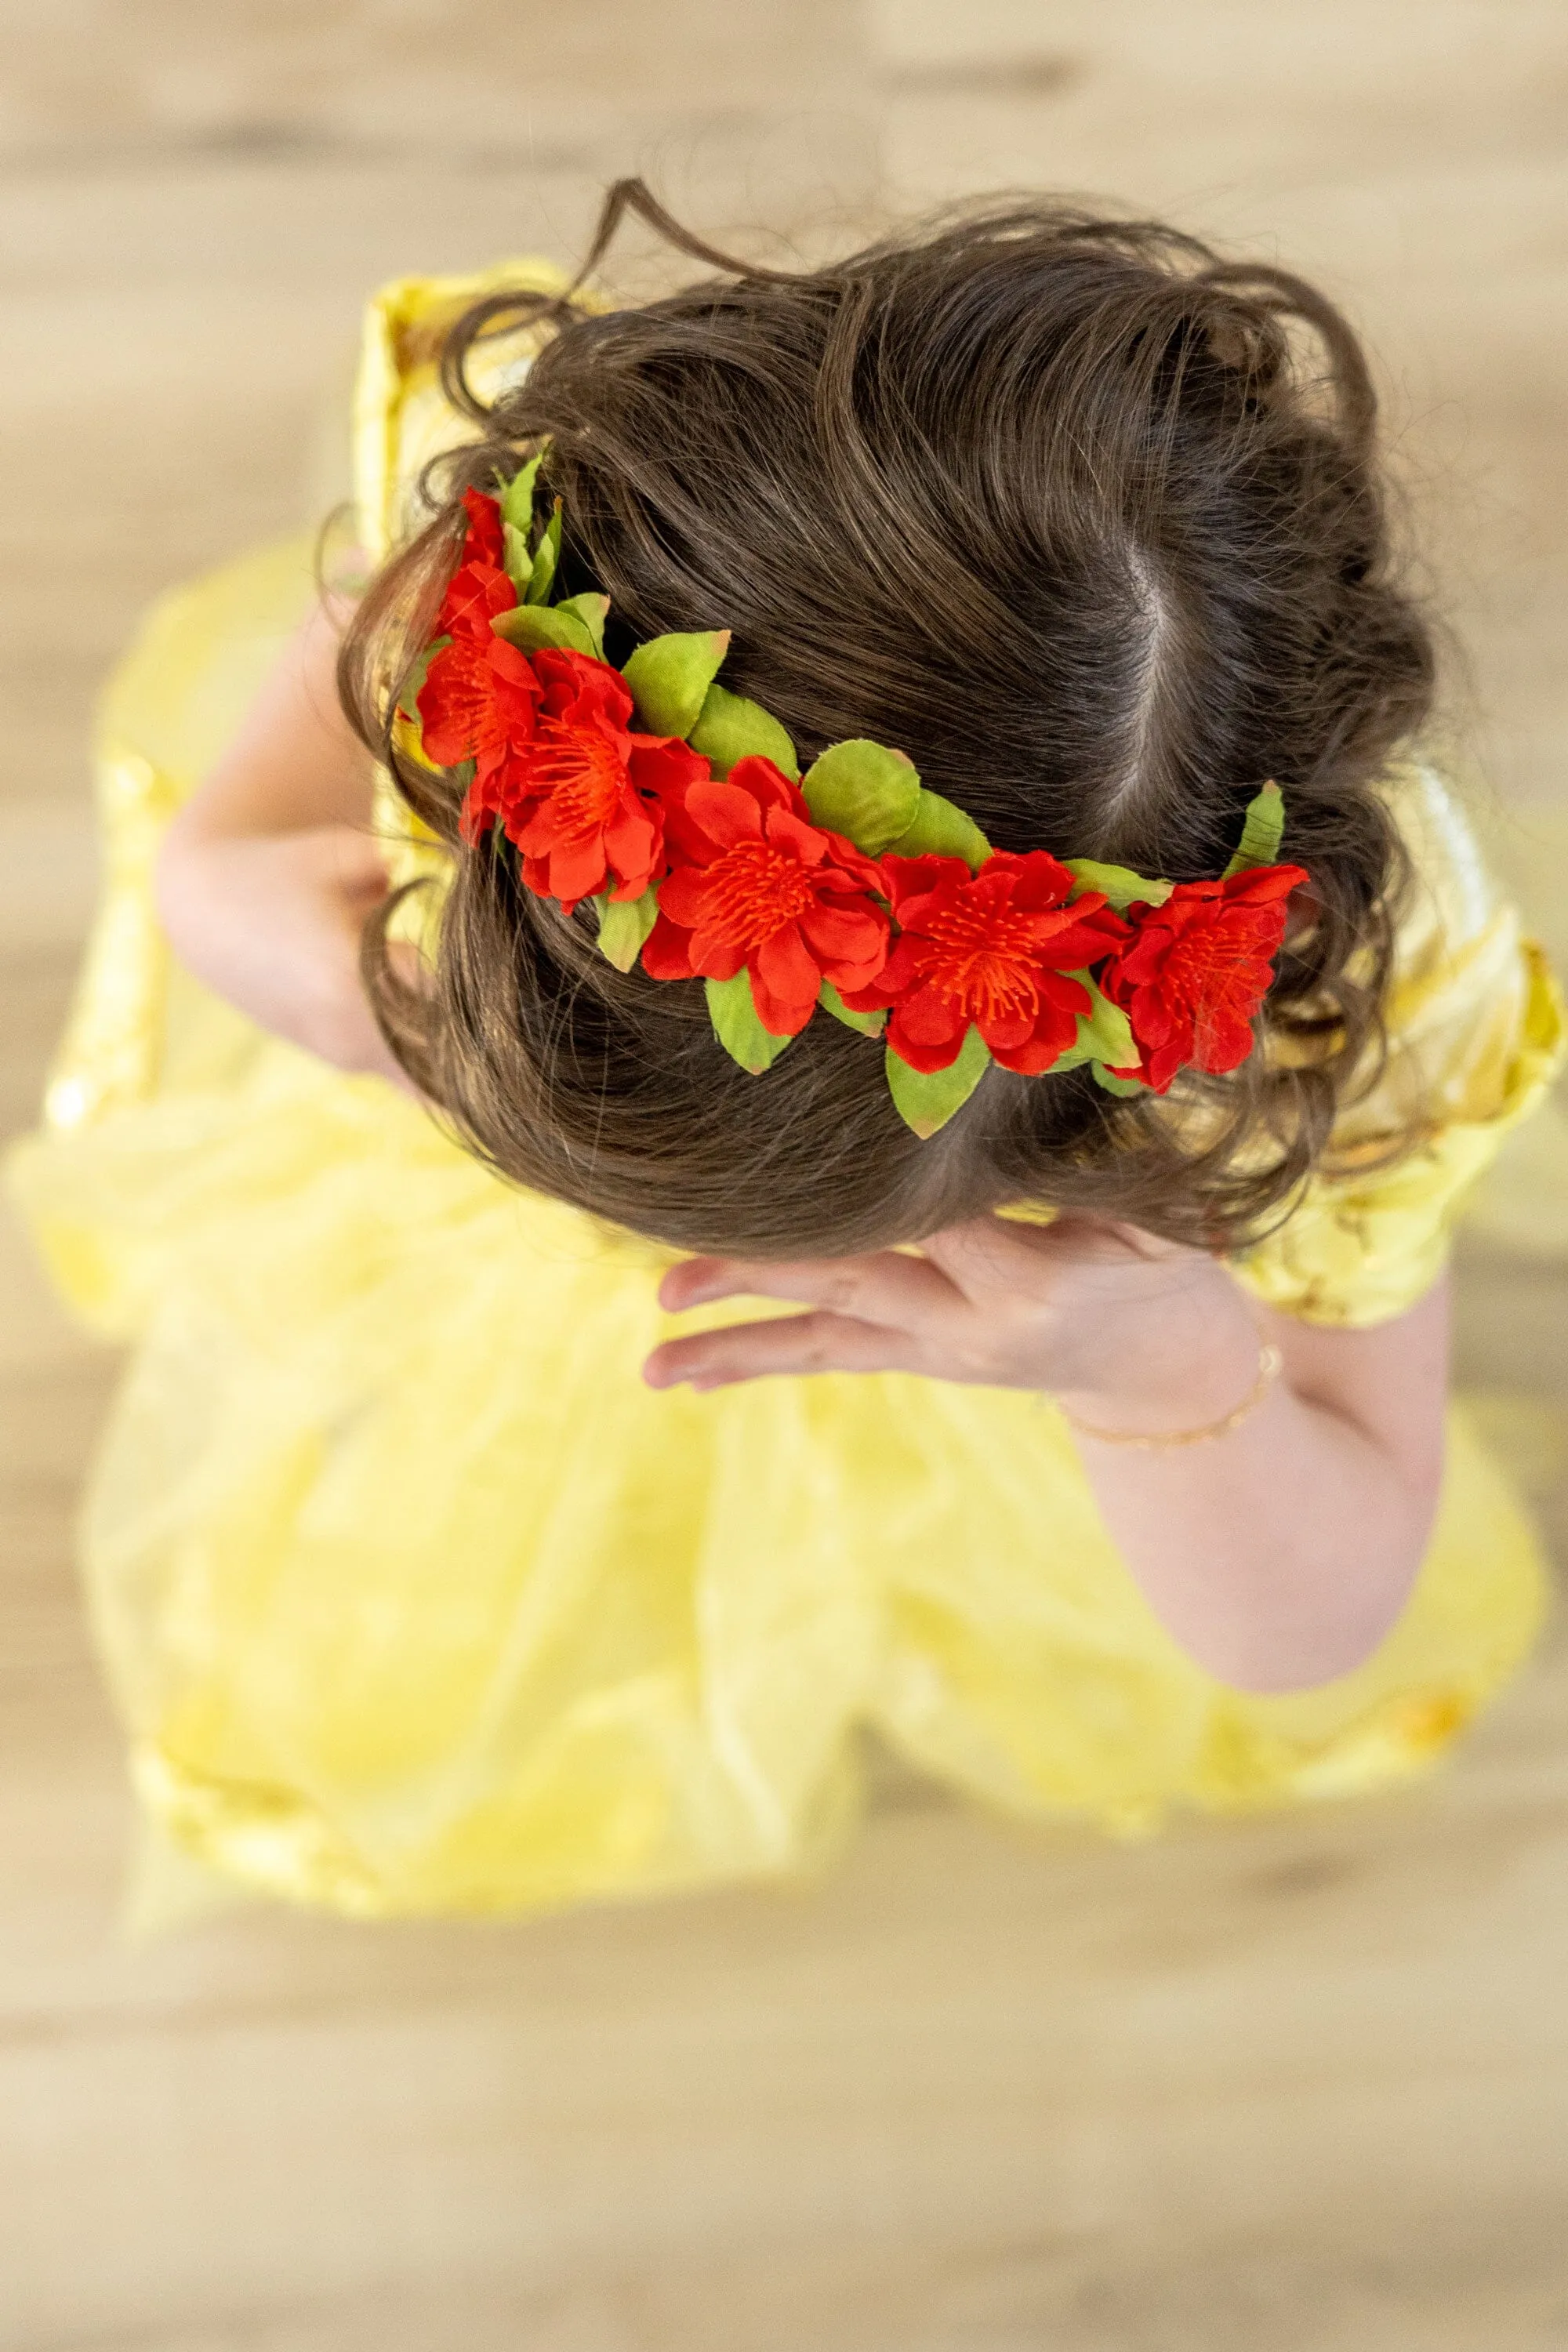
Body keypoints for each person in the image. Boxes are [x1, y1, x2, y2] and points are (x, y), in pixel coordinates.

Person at [9, 184, 1563, 1920]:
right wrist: (250, 918)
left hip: (1002, 1375)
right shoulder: (526, 582)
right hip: (464, 1284)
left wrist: (1166, 1374)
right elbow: (243, 824)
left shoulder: (1341, 1010)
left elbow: (1308, 1627)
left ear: (1109, 1119)